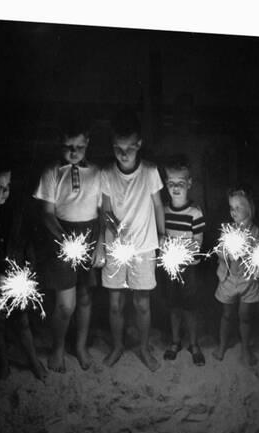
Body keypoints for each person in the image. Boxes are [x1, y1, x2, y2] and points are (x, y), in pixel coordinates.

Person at [33, 118, 104, 373]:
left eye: (79, 147)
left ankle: (81, 346)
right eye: (67, 146)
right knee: (66, 304)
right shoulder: (52, 171)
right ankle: (58, 347)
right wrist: (63, 239)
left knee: (85, 297)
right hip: (62, 236)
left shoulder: (97, 172)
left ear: (87, 144)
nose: (73, 152)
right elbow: (47, 213)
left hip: (90, 235)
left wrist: (100, 246)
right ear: (59, 143)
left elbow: (102, 211)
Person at [101, 110, 165, 372]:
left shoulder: (150, 172)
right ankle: (117, 346)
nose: (123, 153)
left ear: (139, 144)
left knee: (141, 302)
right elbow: (105, 210)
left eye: (129, 148)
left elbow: (158, 206)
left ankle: (143, 347)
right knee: (115, 302)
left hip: (145, 246)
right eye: (118, 148)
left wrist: (162, 238)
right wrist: (114, 226)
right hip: (116, 249)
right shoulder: (107, 173)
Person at [0, 162, 46, 380]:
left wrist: (23, 268)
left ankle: (32, 359)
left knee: (21, 319)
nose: (5, 191)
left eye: (8, 185)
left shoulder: (10, 214)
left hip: (12, 276)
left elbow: (22, 243)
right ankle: (1, 361)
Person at [161, 156, 206, 366]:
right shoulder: (163, 211)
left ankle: (194, 344)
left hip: (189, 270)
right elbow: (160, 238)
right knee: (173, 305)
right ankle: (175, 341)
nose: (175, 187)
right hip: (171, 269)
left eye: (180, 183)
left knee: (190, 307)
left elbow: (197, 244)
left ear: (189, 183)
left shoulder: (195, 213)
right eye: (171, 183)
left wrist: (177, 249)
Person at [213, 188, 259, 366]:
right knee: (226, 315)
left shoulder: (255, 232)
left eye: (238, 207)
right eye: (231, 207)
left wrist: (248, 254)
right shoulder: (228, 230)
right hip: (228, 280)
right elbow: (219, 252)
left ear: (249, 209)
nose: (233, 211)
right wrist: (226, 253)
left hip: (248, 282)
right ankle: (222, 345)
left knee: (245, 316)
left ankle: (245, 350)